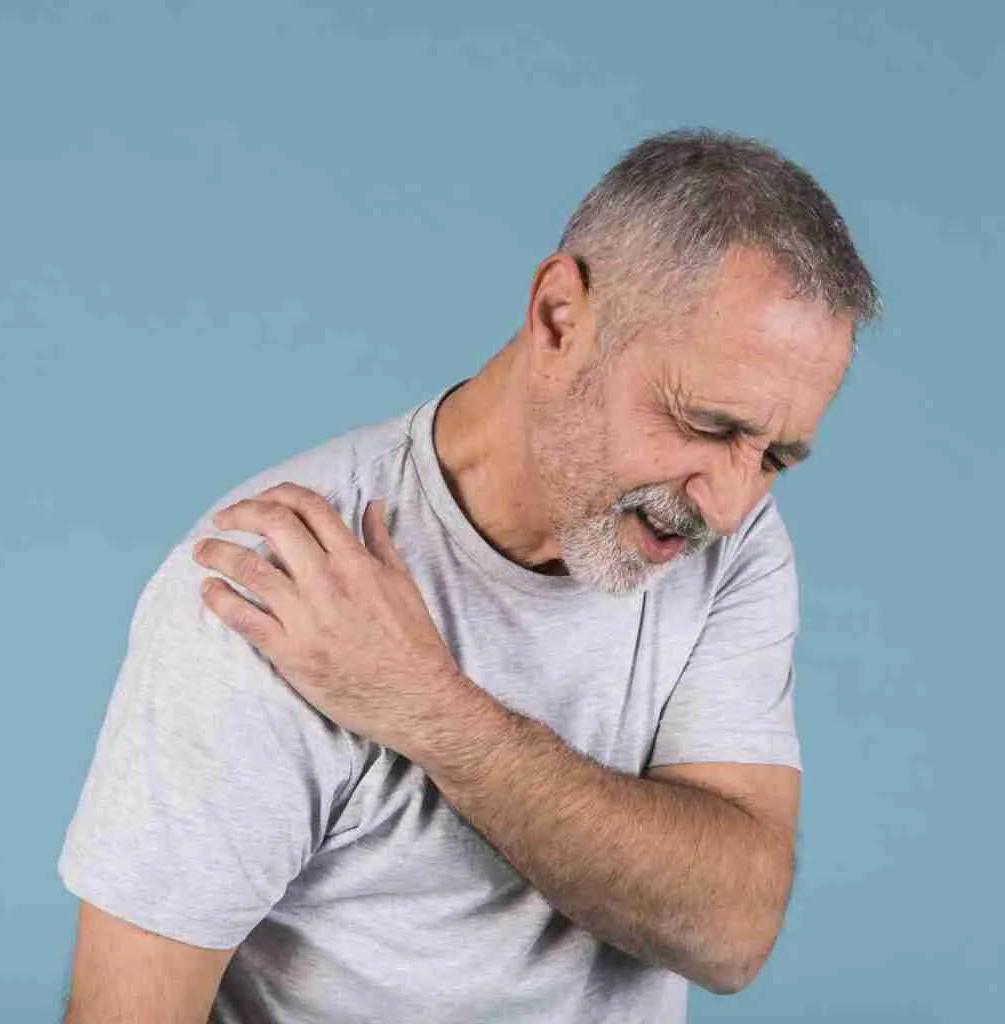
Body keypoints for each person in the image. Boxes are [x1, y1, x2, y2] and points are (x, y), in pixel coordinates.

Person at [56, 128, 880, 1023]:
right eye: (709, 424)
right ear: (561, 319)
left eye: (776, 458)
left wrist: (431, 709)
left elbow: (731, 930)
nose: (728, 501)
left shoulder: (730, 541)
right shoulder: (272, 590)